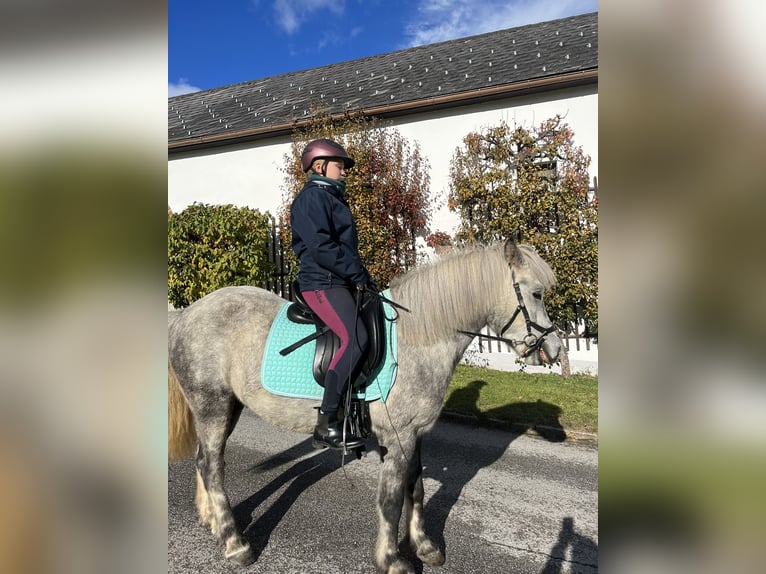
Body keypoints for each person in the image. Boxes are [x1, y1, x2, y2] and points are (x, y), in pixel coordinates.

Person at [290, 138, 373, 450]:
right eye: (340, 165)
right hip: (321, 283)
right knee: (356, 338)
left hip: (339, 280)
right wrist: (356, 273)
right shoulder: (312, 199)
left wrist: (360, 276)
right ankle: (326, 421)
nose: (345, 172)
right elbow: (323, 248)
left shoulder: (333, 199)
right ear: (320, 166)